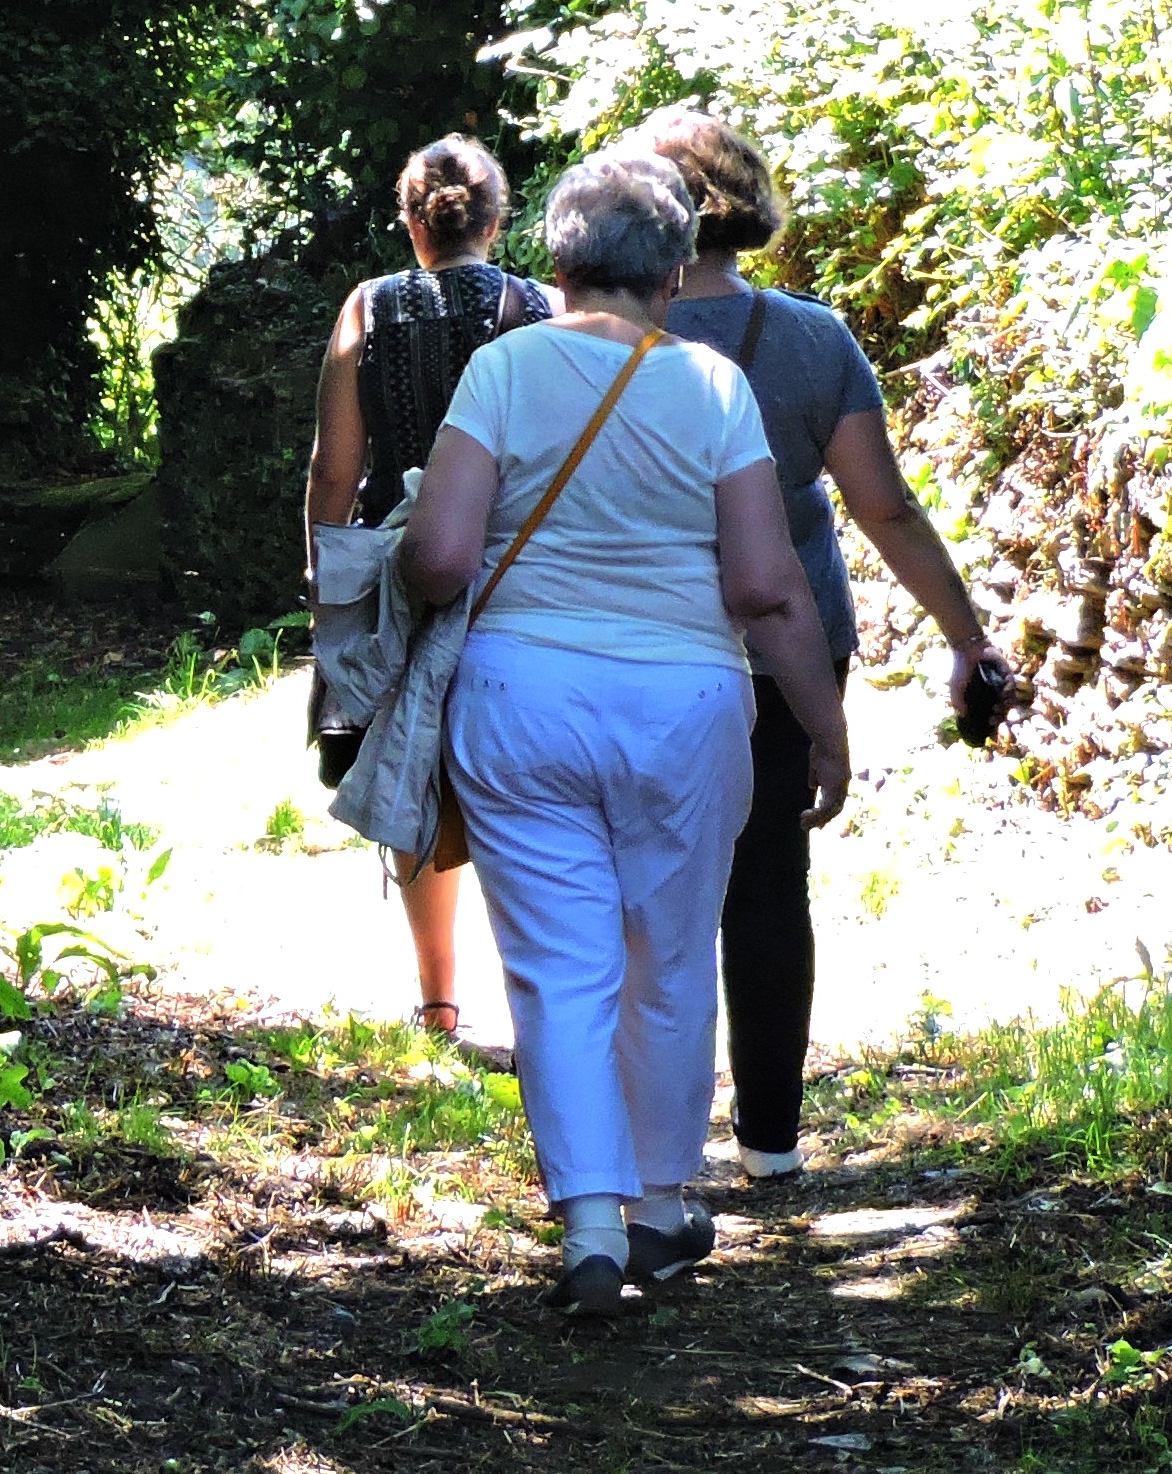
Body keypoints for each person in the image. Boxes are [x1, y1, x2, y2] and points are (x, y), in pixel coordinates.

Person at [395, 150, 849, 1324]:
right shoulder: (710, 388)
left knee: (558, 967)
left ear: (556, 259)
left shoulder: (501, 371)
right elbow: (764, 585)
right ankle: (660, 1203)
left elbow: (442, 559)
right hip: (685, 711)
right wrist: (822, 720)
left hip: (521, 704)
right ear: (674, 265)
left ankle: (590, 1227)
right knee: (670, 951)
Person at [632, 105, 1006, 1185]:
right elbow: (884, 508)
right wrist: (966, 636)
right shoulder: (809, 339)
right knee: (765, 880)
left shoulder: (589, 347)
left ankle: (643, 1147)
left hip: (642, 640)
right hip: (789, 639)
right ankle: (772, 1143)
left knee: (643, 884)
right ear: (742, 201)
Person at [301, 135, 551, 1057]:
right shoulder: (546, 309)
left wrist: (323, 573)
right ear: (499, 221)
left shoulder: (367, 309)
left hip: (403, 568)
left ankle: (440, 1003)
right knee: (520, 780)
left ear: (413, 225)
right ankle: (540, 998)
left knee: (413, 762)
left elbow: (338, 467)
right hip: (515, 568)